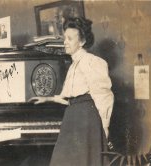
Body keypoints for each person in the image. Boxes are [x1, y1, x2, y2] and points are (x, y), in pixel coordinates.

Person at [29, 17, 114, 166]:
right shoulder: (73, 65)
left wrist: (104, 128)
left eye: (69, 38)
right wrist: (48, 99)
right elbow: (71, 98)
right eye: (64, 38)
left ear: (81, 41)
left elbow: (103, 96)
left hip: (87, 120)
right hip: (73, 116)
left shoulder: (92, 61)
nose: (65, 42)